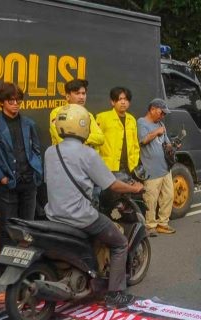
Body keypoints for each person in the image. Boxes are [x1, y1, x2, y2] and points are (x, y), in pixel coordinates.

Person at [44, 104, 144, 307]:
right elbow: (112, 184)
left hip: (54, 214)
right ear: (82, 126)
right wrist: (135, 189)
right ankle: (115, 294)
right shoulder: (87, 153)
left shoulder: (50, 151)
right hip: (80, 216)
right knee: (119, 243)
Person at [0, 82, 44, 252]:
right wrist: (1, 178)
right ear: (1, 102)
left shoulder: (29, 123)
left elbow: (37, 150)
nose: (15, 104)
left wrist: (36, 171)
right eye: (11, 101)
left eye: (18, 100)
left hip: (29, 183)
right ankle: (5, 273)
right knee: (8, 229)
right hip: (8, 185)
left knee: (28, 229)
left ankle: (25, 271)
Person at [137, 98, 175, 235]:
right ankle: (150, 225)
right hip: (151, 169)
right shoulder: (141, 122)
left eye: (165, 113)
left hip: (165, 168)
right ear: (152, 109)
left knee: (168, 196)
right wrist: (156, 132)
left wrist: (172, 146)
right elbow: (142, 140)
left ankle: (163, 223)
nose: (163, 115)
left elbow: (166, 142)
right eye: (161, 112)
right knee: (151, 199)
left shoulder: (160, 123)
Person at [95, 87, 140, 175]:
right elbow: (96, 143)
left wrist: (134, 162)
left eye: (126, 99)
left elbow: (135, 145)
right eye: (120, 99)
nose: (123, 102)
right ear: (113, 102)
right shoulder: (102, 117)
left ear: (129, 102)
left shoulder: (132, 119)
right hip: (108, 168)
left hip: (129, 168)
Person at [48, 79, 105, 148]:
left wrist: (76, 136)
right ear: (68, 96)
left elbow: (100, 138)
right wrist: (87, 138)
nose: (81, 97)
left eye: (83, 93)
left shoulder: (88, 115)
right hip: (65, 157)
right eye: (77, 93)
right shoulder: (58, 112)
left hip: (87, 157)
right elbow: (63, 140)